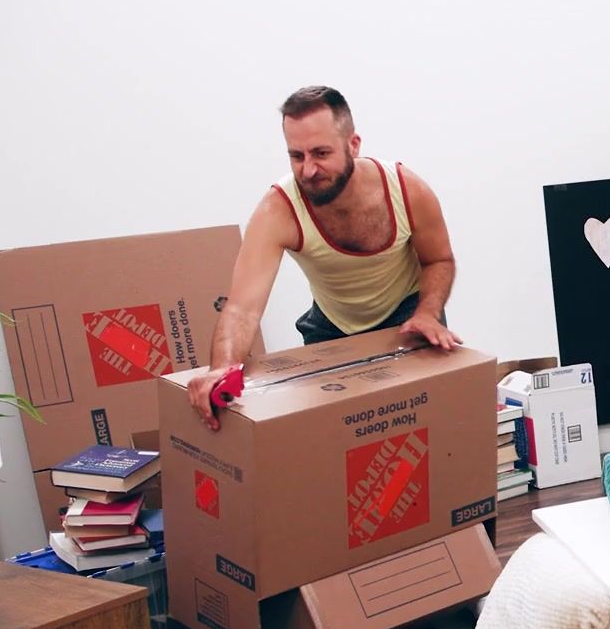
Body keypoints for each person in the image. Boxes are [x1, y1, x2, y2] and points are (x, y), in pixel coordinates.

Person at [188, 86, 460, 429]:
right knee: (333, 437)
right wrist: (223, 368)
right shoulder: (279, 210)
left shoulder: (406, 190)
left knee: (423, 427)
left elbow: (438, 260)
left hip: (408, 316)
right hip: (332, 324)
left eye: (320, 153)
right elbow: (242, 309)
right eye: (296, 156)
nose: (308, 170)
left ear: (353, 145)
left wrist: (428, 313)